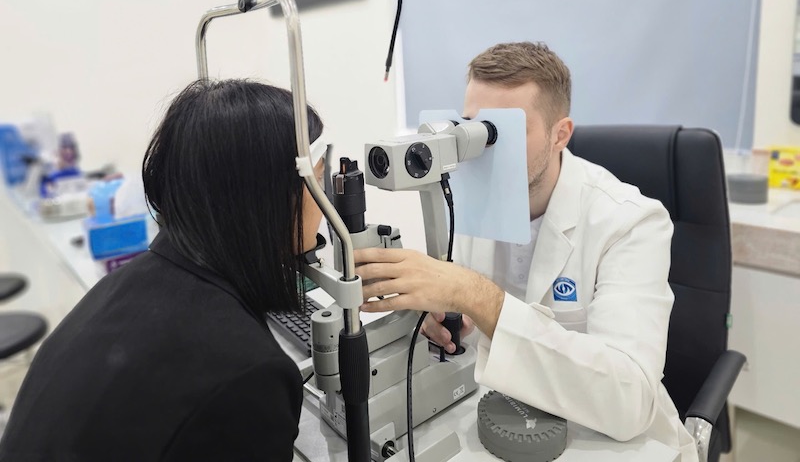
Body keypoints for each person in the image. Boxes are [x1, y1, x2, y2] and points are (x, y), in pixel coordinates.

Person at [355, 42, 697, 461]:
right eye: (470, 129)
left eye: (503, 132)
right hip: (505, 421)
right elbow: (477, 326)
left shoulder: (629, 222)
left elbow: (629, 402)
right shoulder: (466, 201)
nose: (482, 151)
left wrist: (476, 296)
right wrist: (449, 318)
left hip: (607, 441)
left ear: (560, 134)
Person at [0, 79, 326, 461]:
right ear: (270, 198)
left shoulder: (122, 286)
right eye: (317, 183)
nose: (325, 204)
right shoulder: (251, 374)